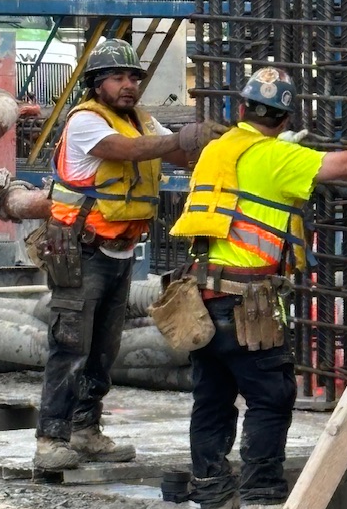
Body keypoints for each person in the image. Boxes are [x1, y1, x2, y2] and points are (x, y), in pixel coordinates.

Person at [169, 66, 347, 509]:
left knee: (212, 398)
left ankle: (212, 492)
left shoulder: (218, 150)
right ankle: (262, 492)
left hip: (202, 294)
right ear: (283, 119)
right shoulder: (278, 159)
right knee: (271, 396)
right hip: (249, 302)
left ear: (242, 110)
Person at [34, 40, 223, 472]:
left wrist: (211, 144)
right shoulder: (86, 121)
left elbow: (173, 152)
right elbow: (126, 151)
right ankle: (50, 438)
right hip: (80, 252)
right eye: (118, 78)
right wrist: (181, 137)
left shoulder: (142, 120)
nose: (128, 86)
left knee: (104, 349)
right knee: (70, 346)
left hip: (118, 252)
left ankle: (85, 430)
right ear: (96, 84)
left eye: (134, 78)